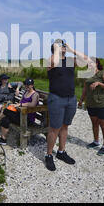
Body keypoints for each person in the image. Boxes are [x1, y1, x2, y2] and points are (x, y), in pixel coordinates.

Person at [45, 39, 89, 171]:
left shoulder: (70, 61)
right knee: (54, 127)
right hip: (57, 98)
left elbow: (86, 60)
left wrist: (72, 50)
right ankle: (48, 155)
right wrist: (57, 48)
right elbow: (54, 62)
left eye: (63, 45)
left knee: (65, 126)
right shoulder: (50, 59)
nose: (63, 46)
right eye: (60, 45)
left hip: (71, 99)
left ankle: (61, 152)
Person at [78, 58, 104, 156]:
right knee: (94, 124)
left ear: (96, 63)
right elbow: (85, 89)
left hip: (102, 104)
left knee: (103, 125)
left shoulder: (102, 74)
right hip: (91, 104)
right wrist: (81, 100)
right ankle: (96, 141)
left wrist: (99, 83)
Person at [0, 78, 39, 145]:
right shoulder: (25, 92)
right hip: (20, 115)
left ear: (32, 85)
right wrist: (15, 105)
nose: (26, 86)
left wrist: (21, 104)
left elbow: (33, 104)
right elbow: (20, 102)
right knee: (5, 118)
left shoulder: (35, 94)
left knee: (7, 110)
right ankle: (3, 139)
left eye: (28, 85)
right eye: (25, 85)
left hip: (27, 119)